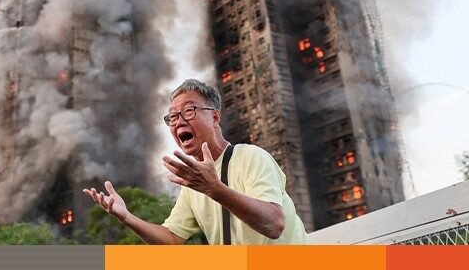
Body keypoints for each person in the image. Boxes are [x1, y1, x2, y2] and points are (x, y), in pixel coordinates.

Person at [83, 79, 307, 244]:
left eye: (189, 110)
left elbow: (274, 224)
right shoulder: (194, 185)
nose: (178, 121)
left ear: (215, 117)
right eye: (172, 116)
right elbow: (171, 239)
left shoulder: (250, 157)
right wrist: (127, 217)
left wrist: (214, 189)